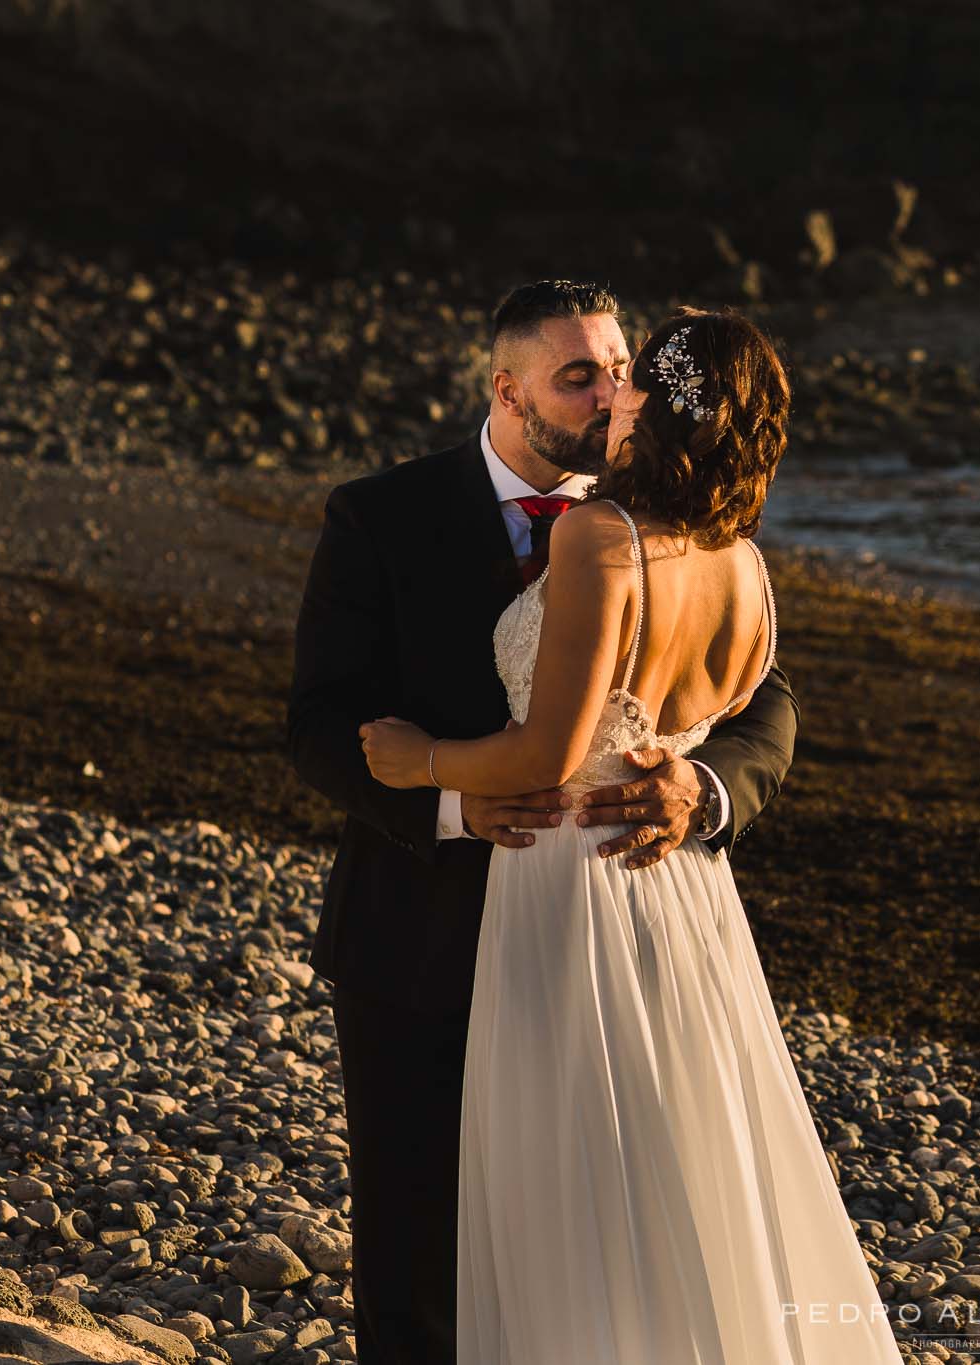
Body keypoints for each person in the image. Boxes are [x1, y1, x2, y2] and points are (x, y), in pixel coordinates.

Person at [357, 307, 905, 1361]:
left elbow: (545, 759)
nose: (610, 399)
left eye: (627, 384)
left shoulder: (597, 536)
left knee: (569, 1173)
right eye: (594, 377)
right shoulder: (741, 563)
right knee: (681, 1163)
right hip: (682, 903)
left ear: (655, 411)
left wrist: (418, 760)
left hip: (568, 884)